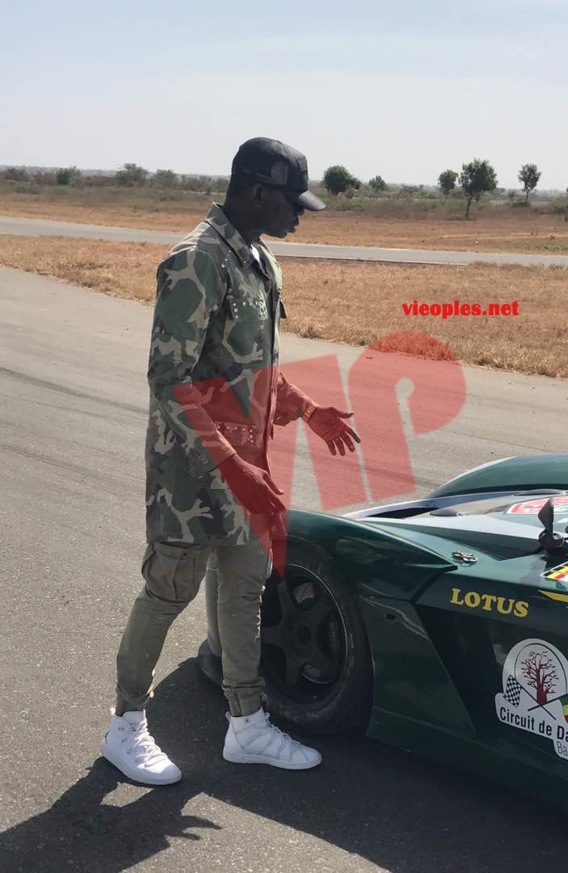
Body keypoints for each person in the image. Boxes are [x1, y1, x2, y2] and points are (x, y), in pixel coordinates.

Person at [101, 137, 360, 785]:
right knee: (169, 590)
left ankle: (246, 724)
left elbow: (256, 371)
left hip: (248, 467)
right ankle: (125, 723)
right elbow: (170, 379)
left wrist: (309, 410)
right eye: (292, 203)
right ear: (257, 193)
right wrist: (233, 466)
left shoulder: (259, 261)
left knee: (246, 585)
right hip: (191, 473)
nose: (298, 215)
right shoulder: (197, 261)